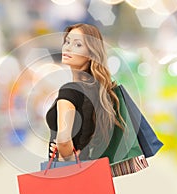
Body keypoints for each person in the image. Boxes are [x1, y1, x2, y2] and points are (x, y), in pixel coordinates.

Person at [46, 23, 125, 161]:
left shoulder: (69, 91)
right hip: (91, 171)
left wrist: (68, 158)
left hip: (68, 176)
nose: (68, 48)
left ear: (91, 53)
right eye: (67, 41)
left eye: (78, 45)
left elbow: (63, 140)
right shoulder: (99, 91)